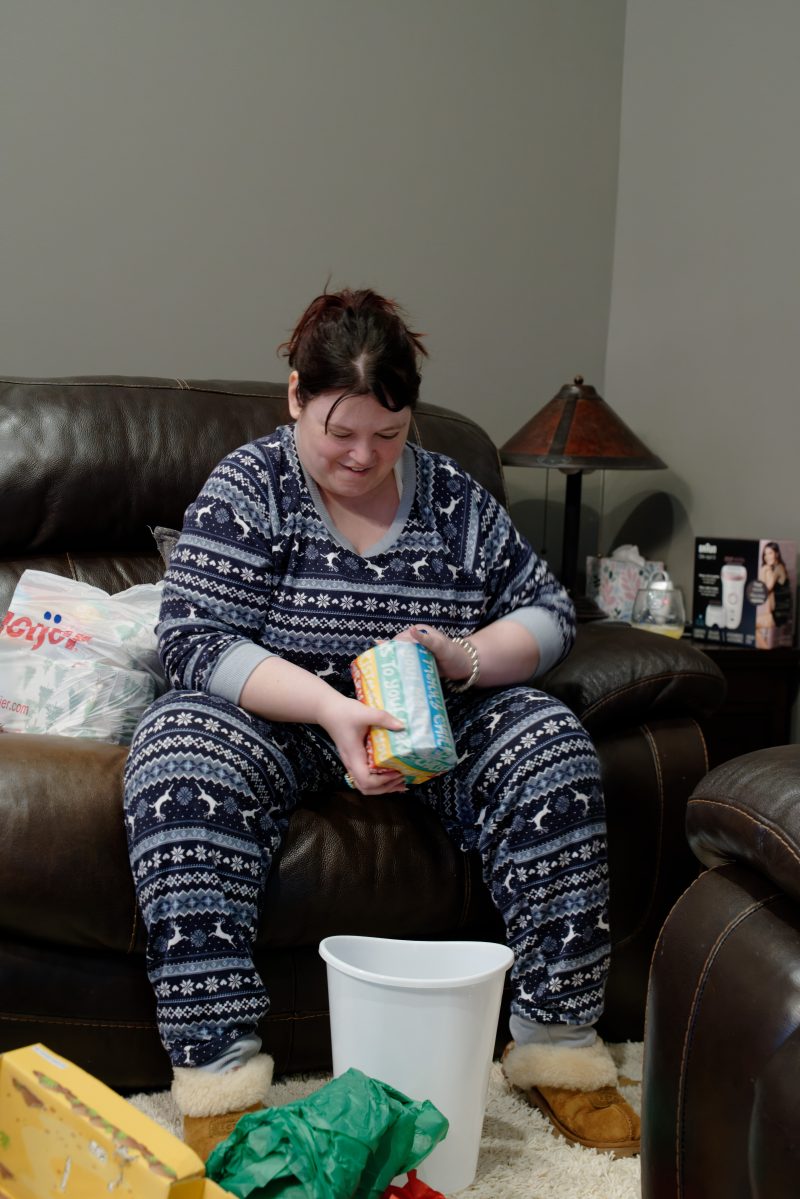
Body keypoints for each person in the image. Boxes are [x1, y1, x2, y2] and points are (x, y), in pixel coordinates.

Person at [123, 287, 640, 1161]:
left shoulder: (453, 499)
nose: (364, 457)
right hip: (282, 716)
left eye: (389, 434)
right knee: (178, 756)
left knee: (551, 744)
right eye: (340, 432)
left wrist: (462, 657)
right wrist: (330, 707)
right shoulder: (252, 487)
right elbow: (192, 637)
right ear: (296, 396)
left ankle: (558, 1046)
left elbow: (549, 613)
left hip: (432, 714)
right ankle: (219, 1075)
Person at [756, 541, 791, 647]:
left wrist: (763, 570)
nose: (767, 557)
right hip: (776, 611)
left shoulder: (778, 568)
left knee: (754, 625)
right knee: (762, 632)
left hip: (781, 613)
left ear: (776, 554)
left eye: (770, 553)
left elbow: (765, 590)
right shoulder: (773, 568)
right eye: (765, 554)